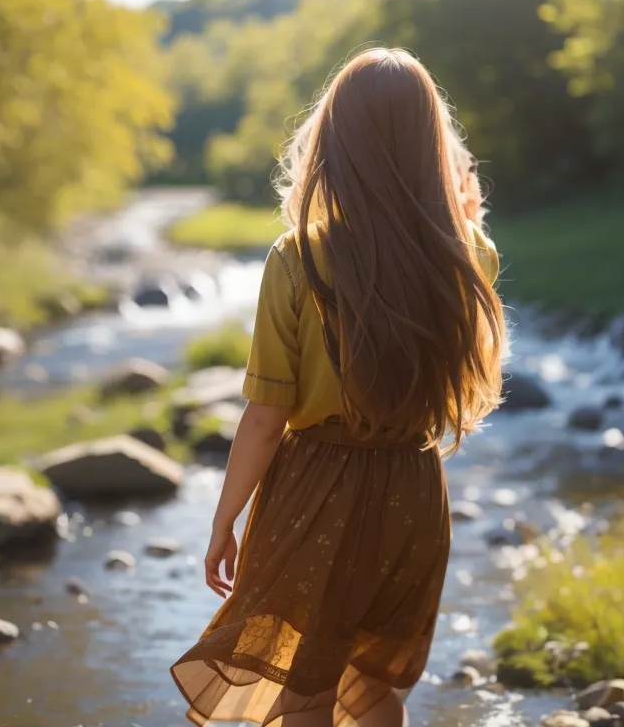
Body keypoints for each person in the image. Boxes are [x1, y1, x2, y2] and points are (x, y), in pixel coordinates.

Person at [170, 48, 505, 727]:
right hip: (413, 490)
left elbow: (266, 416)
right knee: (373, 688)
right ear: (430, 145)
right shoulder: (469, 253)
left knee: (305, 693)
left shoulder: (297, 256)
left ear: (333, 142)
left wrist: (223, 519)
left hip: (315, 491)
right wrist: (460, 202)